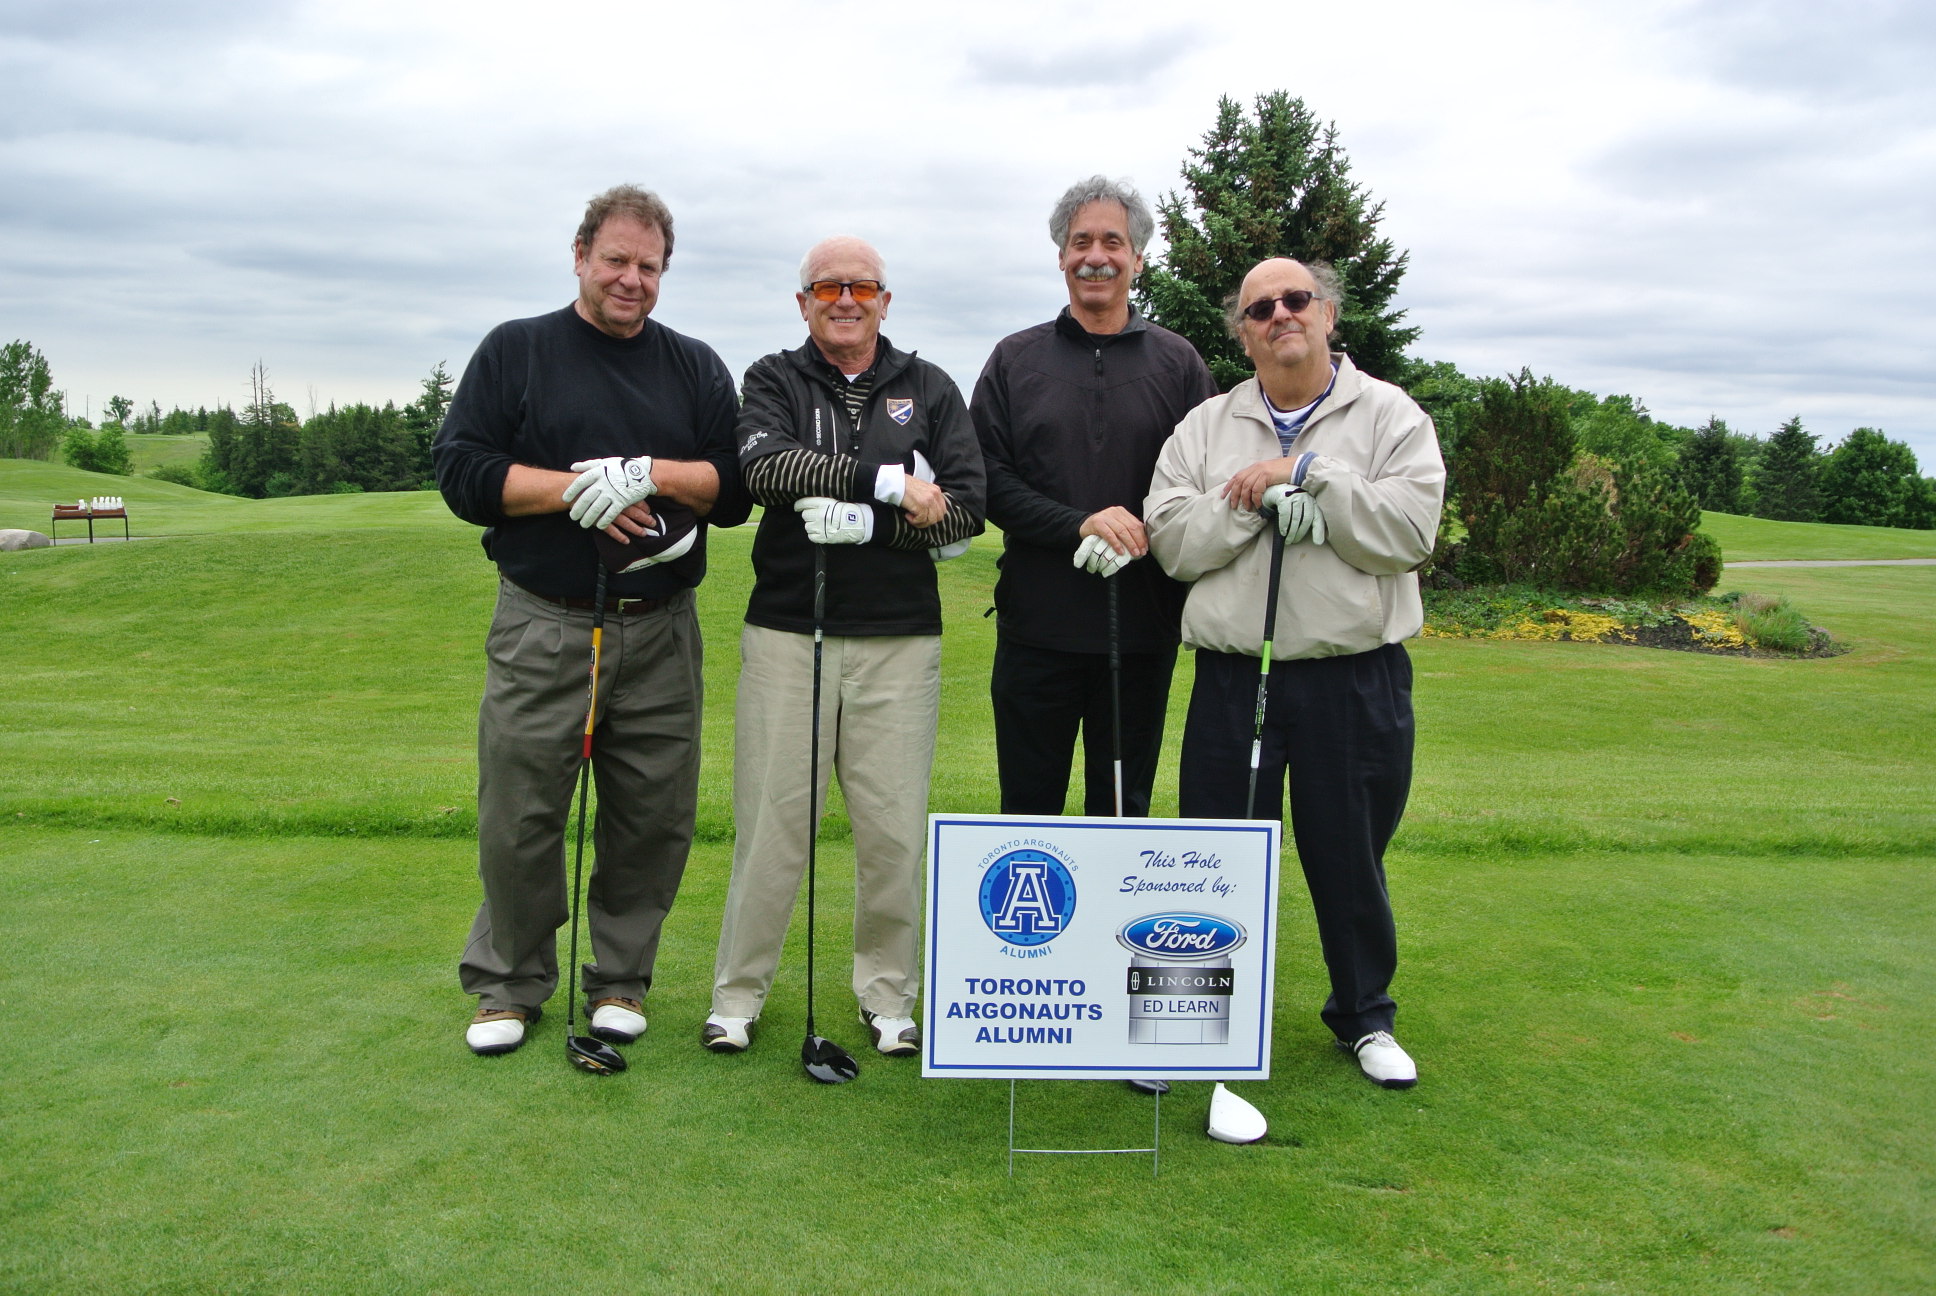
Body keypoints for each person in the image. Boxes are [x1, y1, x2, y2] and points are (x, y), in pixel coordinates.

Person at [434, 184, 751, 1057]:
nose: (631, 279)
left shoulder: (693, 365)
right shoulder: (518, 350)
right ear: (581, 256)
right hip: (546, 623)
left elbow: (734, 488)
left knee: (652, 814)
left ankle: (620, 979)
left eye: (649, 266)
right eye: (615, 260)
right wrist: (577, 490)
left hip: (663, 626)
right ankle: (508, 983)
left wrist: (647, 474)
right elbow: (463, 472)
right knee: (521, 813)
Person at [1145, 256, 1444, 1089]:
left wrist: (1311, 473)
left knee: (1350, 855)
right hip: (1234, 676)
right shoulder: (1206, 425)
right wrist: (1250, 499)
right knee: (1216, 855)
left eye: (1296, 299)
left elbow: (1408, 532)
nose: (1280, 313)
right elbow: (1172, 542)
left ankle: (1364, 1017)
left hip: (1353, 675)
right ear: (1243, 335)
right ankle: (1199, 1023)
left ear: (1327, 314)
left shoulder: (1390, 414)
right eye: (1259, 308)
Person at [704, 236, 984, 1058]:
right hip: (789, 632)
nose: (846, 300)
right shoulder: (773, 378)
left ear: (885, 301)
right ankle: (737, 995)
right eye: (827, 288)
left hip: (900, 640)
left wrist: (871, 526)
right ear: (804, 303)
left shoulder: (929, 387)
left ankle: (889, 995)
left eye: (863, 286)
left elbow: (967, 509)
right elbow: (765, 468)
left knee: (893, 830)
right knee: (772, 823)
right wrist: (889, 485)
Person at [972, 175, 1217, 820]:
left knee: (1121, 813)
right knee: (1029, 813)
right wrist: (1078, 524)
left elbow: (1203, 482)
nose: (1096, 257)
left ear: (1137, 258)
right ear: (1061, 256)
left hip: (1140, 631)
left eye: (1113, 242)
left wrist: (1137, 531)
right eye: (1081, 242)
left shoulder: (1178, 363)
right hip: (1037, 630)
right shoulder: (1015, 360)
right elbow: (987, 477)